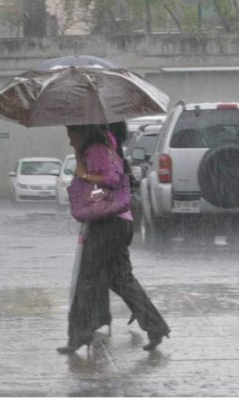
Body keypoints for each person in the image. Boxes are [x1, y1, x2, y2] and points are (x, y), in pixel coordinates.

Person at [58, 124, 170, 354]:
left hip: (108, 224)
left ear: (83, 132)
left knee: (86, 279)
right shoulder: (100, 147)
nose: (70, 141)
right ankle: (155, 326)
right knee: (120, 279)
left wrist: (84, 174)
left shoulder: (98, 150)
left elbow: (111, 179)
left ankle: (79, 335)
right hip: (118, 222)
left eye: (72, 135)